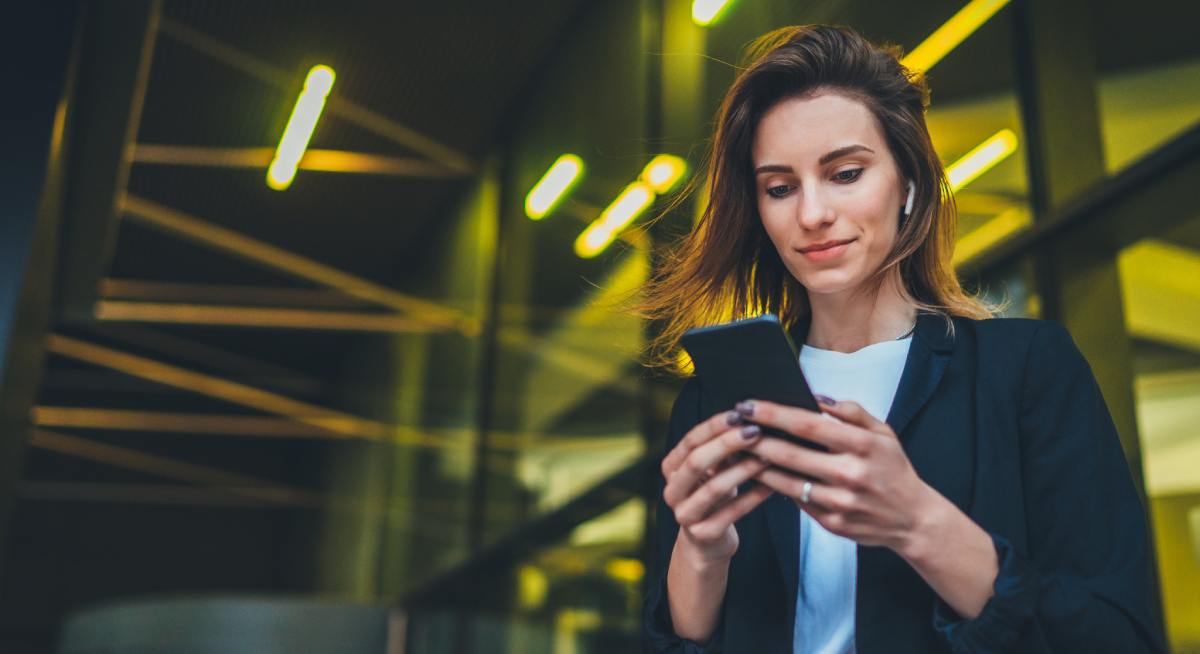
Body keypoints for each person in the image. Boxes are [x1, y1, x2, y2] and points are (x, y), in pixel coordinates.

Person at [636, 24, 1164, 654]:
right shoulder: (717, 403)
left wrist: (916, 521)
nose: (811, 214)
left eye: (846, 173)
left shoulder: (1026, 370)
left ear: (908, 183)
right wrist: (700, 548)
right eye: (780, 188)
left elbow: (1117, 634)